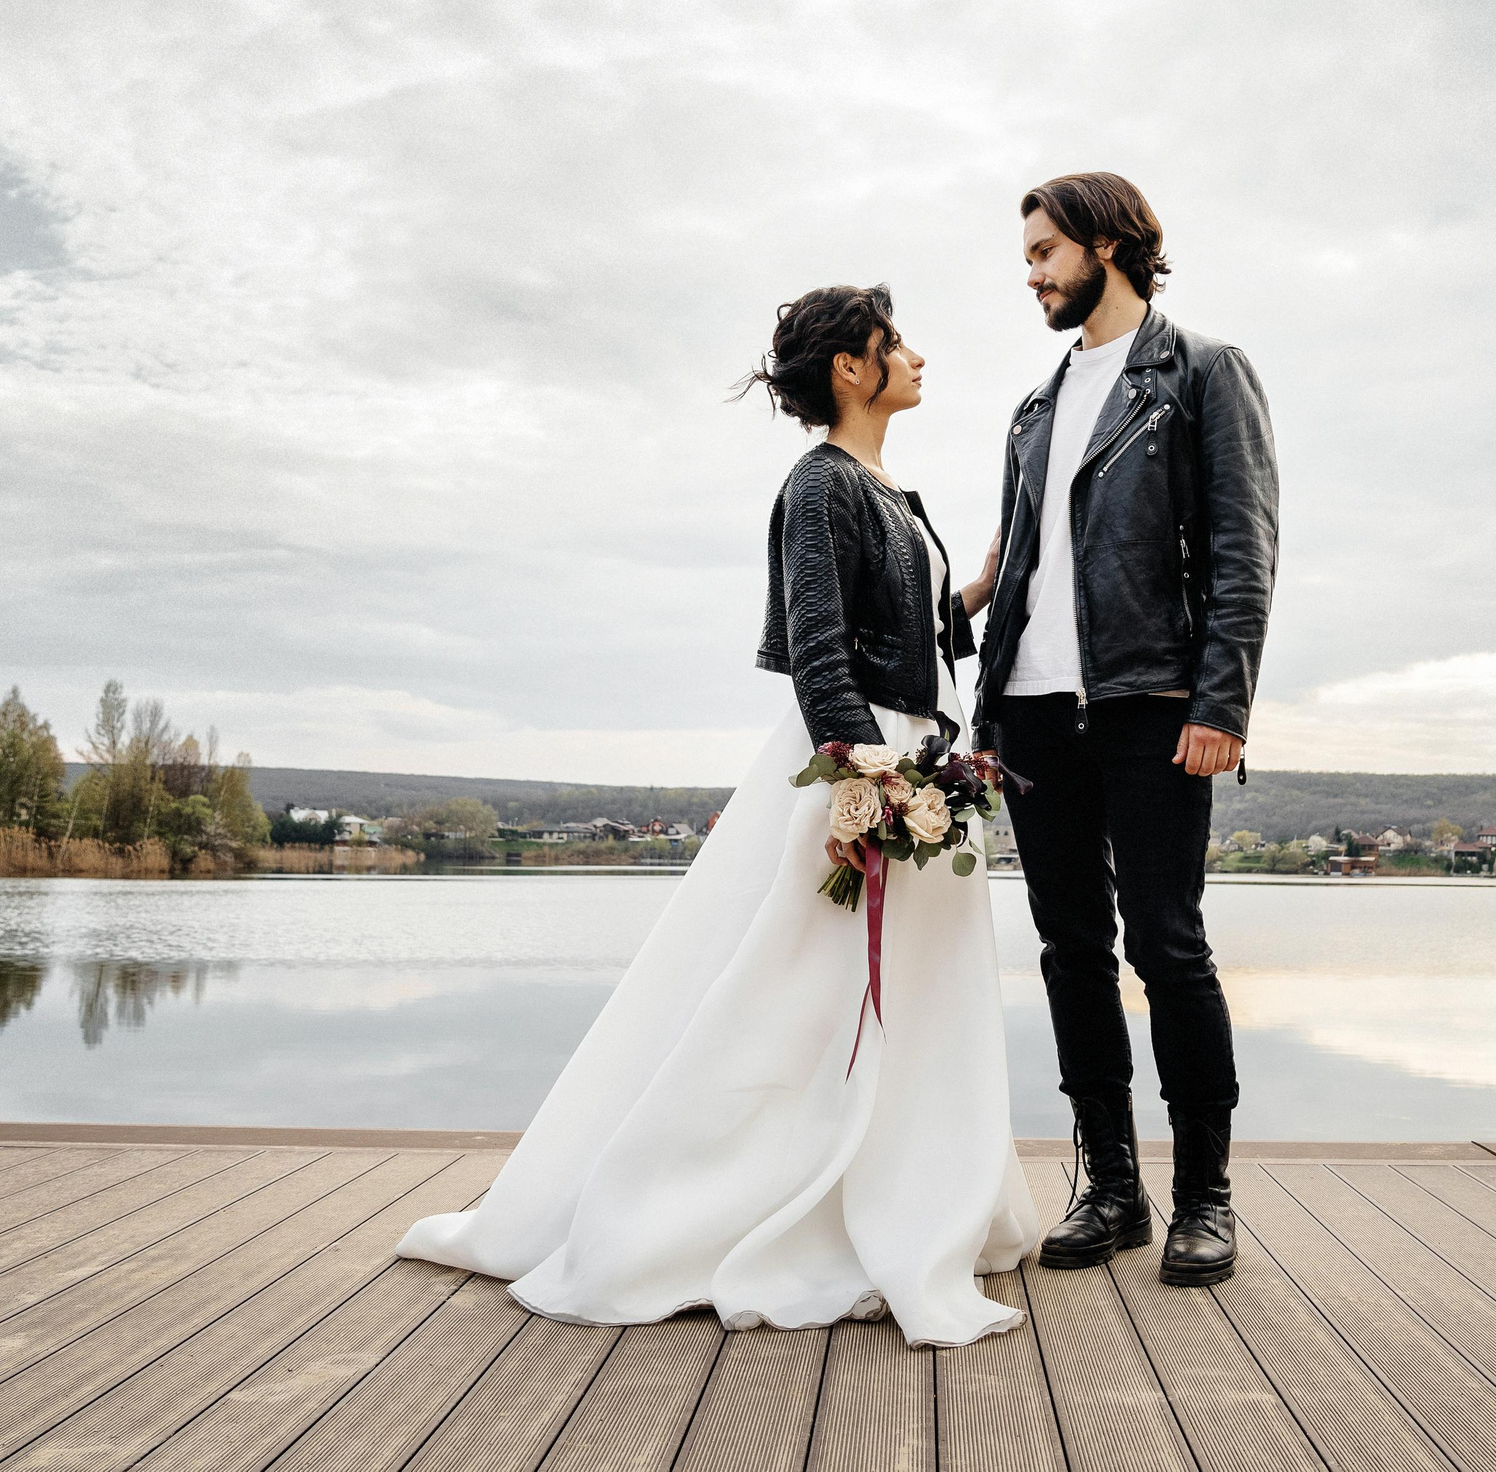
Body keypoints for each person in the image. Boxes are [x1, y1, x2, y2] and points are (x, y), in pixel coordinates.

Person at [397, 283, 1039, 1349]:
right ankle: (722, 1206)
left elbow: (920, 640)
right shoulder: (817, 485)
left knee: (910, 997)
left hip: (926, 757)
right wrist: (861, 777)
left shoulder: (898, 493)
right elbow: (818, 647)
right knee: (801, 995)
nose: (919, 358)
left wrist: (967, 594)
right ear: (850, 366)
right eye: (898, 344)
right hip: (865, 766)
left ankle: (906, 1189)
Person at [971, 172, 1278, 1287]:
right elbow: (1020, 563)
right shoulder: (1035, 408)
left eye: (1045, 251)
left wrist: (1221, 704)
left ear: (1108, 245)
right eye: (1028, 254)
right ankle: (1111, 1185)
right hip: (1034, 715)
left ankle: (1207, 1197)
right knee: (1069, 953)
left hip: (1150, 704)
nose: (1033, 272)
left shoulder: (1198, 374)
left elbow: (1244, 549)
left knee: (1167, 947)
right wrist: (982, 698)